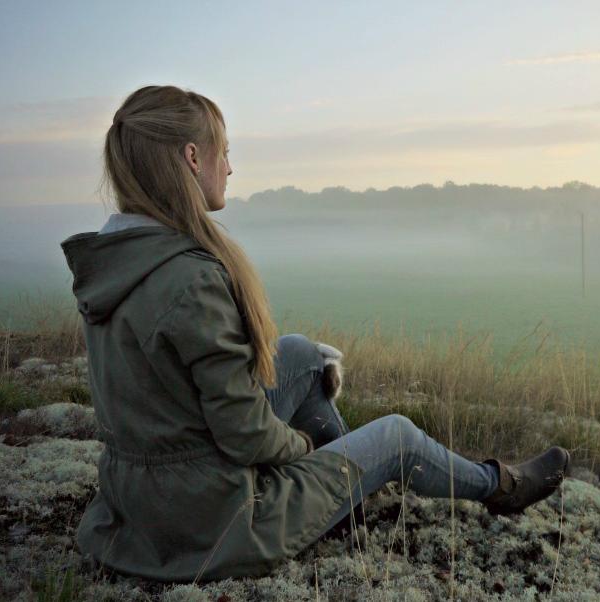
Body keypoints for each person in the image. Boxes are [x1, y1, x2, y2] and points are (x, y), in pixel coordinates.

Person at [60, 85, 569, 583]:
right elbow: (244, 433)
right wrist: (302, 446)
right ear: (193, 157)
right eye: (226, 152)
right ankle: (500, 486)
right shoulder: (190, 279)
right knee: (396, 435)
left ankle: (344, 500)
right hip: (215, 523)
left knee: (300, 353)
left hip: (144, 505)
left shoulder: (113, 262)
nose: (231, 168)